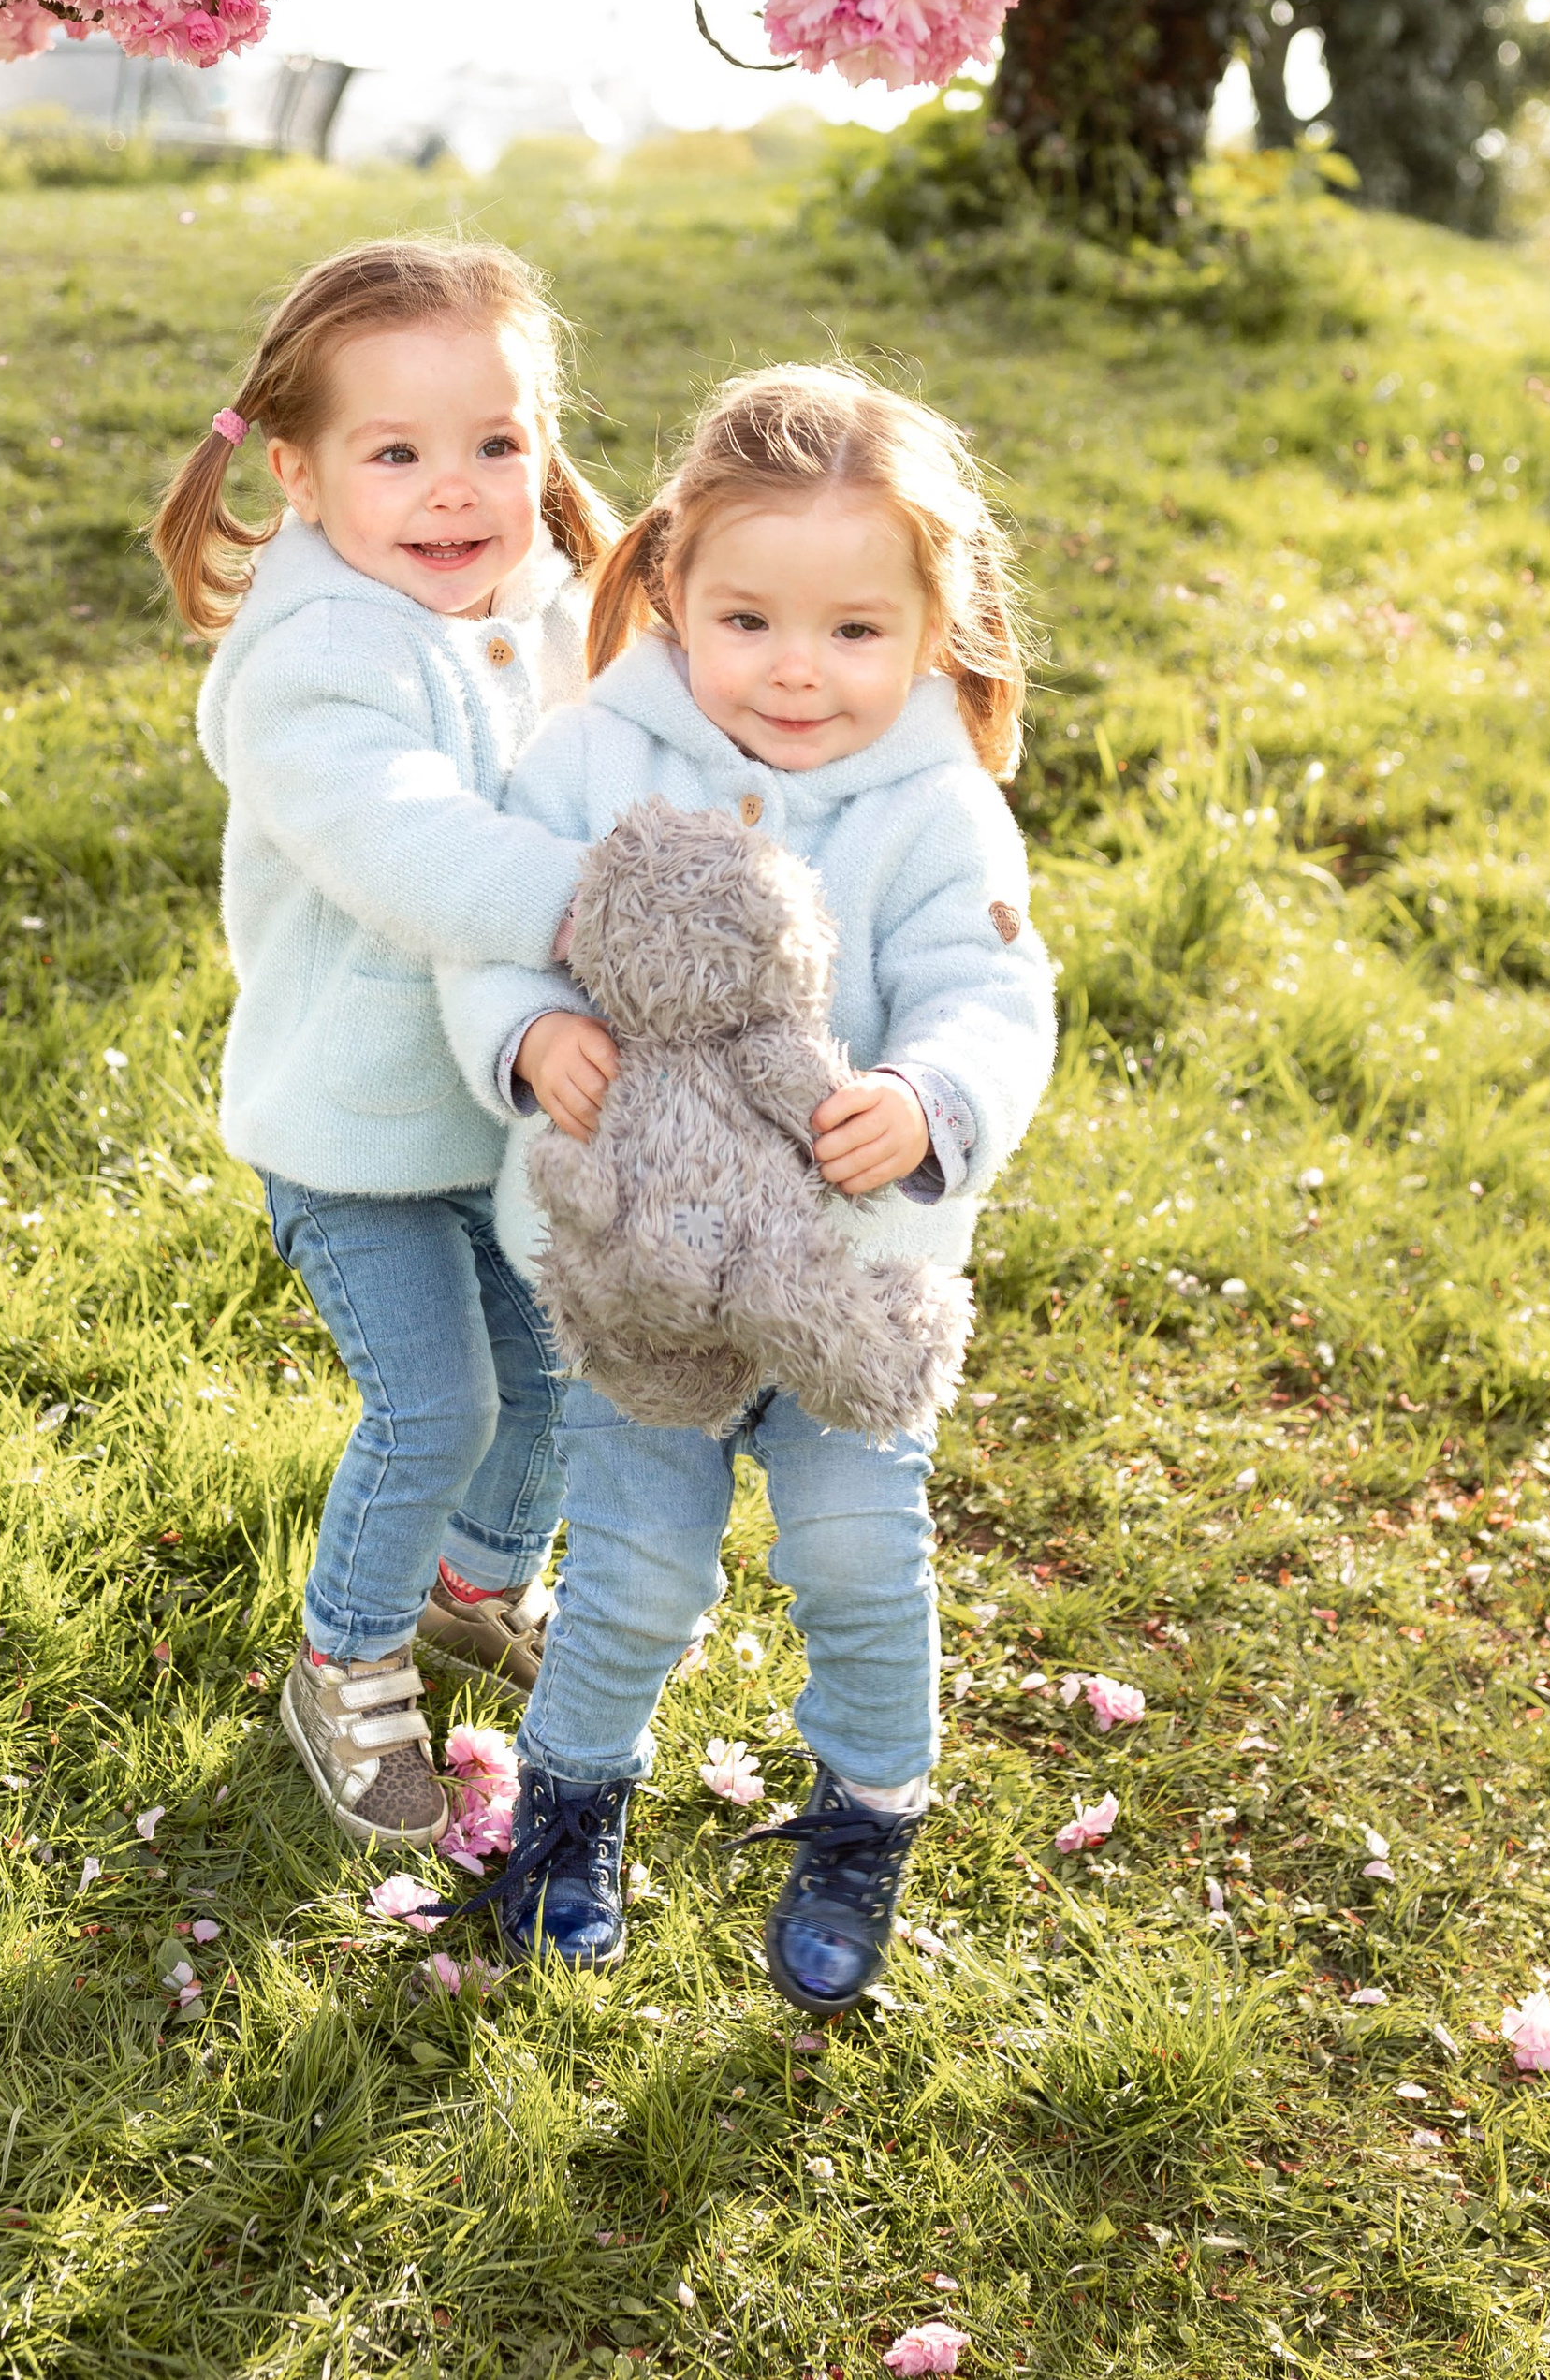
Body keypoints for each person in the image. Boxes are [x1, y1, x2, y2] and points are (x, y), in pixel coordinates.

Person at [438, 364, 1057, 2008]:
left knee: (856, 1551)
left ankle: (864, 1812)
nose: (798, 668)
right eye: (750, 620)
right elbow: (494, 934)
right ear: (672, 589)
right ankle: (573, 1801)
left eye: (855, 630)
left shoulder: (938, 805)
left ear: (930, 627)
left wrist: (926, 1100)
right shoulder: (594, 757)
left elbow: (995, 995)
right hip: (640, 1271)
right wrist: (530, 1033)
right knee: (637, 1560)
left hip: (850, 1274)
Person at [152, 238, 615, 1852]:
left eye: (495, 441)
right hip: (352, 1135)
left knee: (551, 1374)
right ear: (297, 471)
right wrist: (617, 911)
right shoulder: (313, 668)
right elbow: (421, 851)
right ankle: (346, 1658)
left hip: (509, 1113)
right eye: (396, 452)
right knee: (438, 1404)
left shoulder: (548, 610)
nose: (455, 488)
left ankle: (470, 1591)